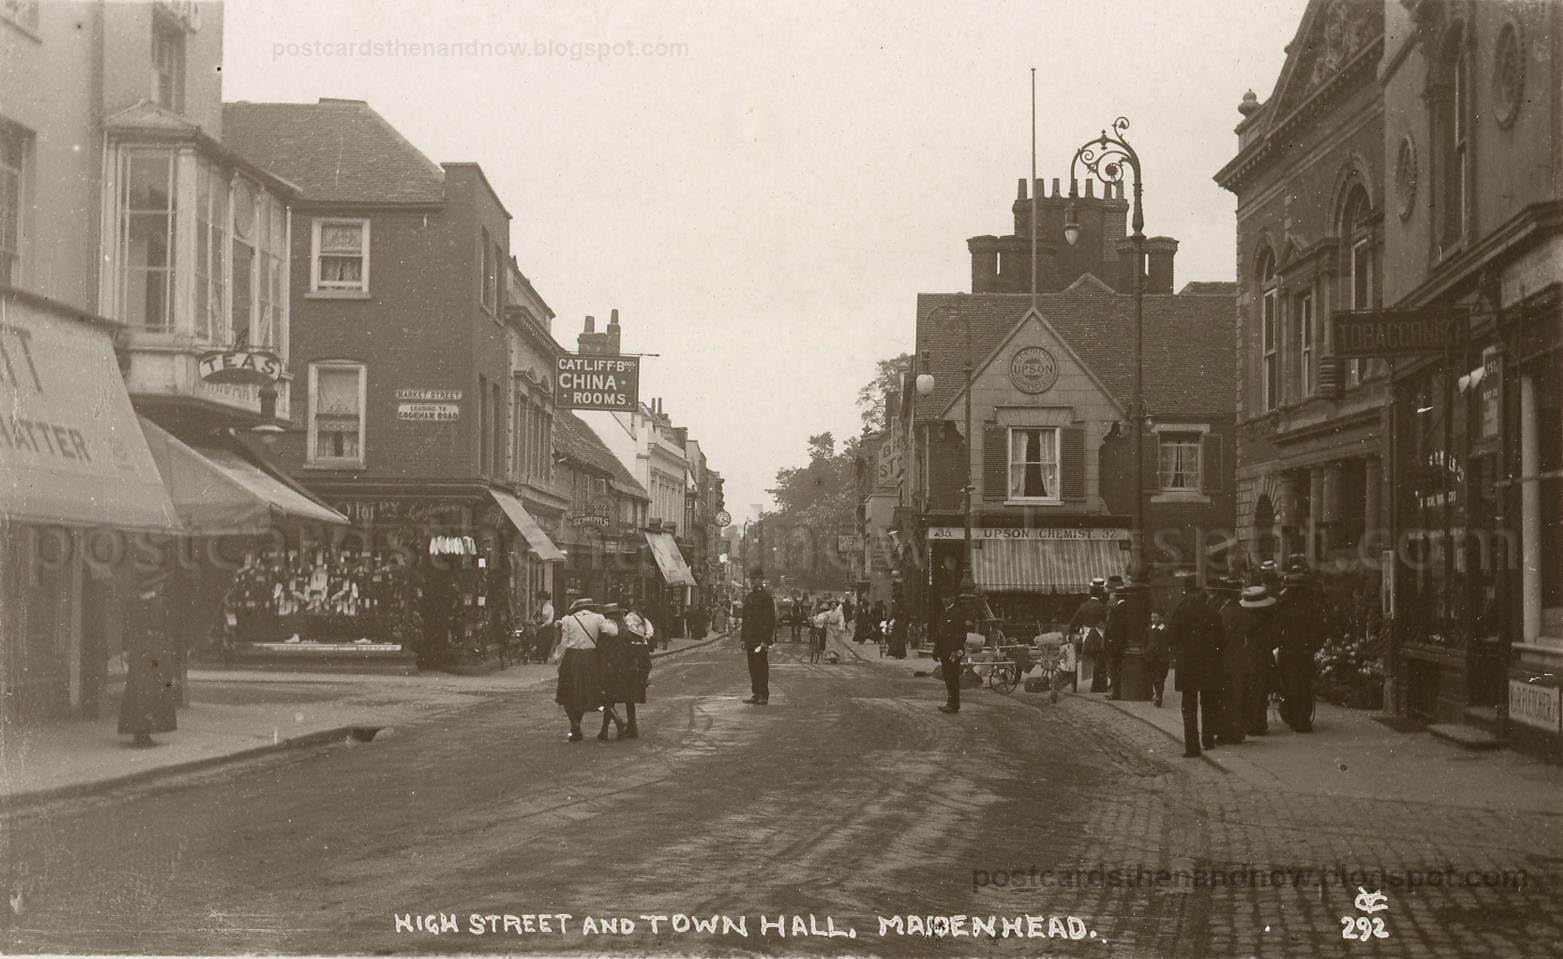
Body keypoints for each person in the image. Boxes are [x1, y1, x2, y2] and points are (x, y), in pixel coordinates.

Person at [1167, 573, 1223, 757]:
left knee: (1189, 706)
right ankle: (1208, 740)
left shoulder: (1180, 611)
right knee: (1209, 703)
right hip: (1209, 664)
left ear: (1186, 590)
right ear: (1201, 591)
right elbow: (1221, 640)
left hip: (1187, 665)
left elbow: (1172, 637)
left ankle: (1192, 747)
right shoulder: (1212, 611)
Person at [553, 597, 617, 743]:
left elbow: (564, 643)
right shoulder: (598, 618)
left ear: (576, 608)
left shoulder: (568, 619)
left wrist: (557, 658)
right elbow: (613, 632)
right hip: (590, 658)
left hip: (572, 657)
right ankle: (580, 724)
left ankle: (575, 725)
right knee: (590, 690)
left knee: (568, 693)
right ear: (591, 607)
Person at [1227, 584, 1279, 736]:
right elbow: (1274, 638)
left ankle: (1252, 723)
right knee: (1262, 691)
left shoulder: (1244, 617)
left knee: (1250, 690)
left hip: (1249, 657)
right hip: (1265, 657)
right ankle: (1260, 723)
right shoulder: (1270, 618)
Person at [1275, 570, 1318, 732]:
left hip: (1289, 651)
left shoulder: (1284, 605)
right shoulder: (1310, 606)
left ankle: (1296, 718)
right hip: (1305, 652)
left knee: (1291, 685)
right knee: (1303, 684)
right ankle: (1302, 718)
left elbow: (1278, 628)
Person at [1212, 578, 1249, 745]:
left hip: (1227, 660)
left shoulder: (1227, 612)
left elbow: (1221, 637)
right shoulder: (1239, 609)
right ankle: (1236, 731)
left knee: (1228, 697)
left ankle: (1228, 732)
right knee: (1237, 696)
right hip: (1239, 658)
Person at [594, 603, 633, 741]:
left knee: (605, 700)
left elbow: (601, 649)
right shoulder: (624, 629)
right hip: (622, 668)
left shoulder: (608, 630)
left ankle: (618, 722)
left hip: (608, 667)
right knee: (610, 699)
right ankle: (605, 731)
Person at [740, 570, 776, 704]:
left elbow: (770, 620)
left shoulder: (766, 598)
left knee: (761, 666)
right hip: (750, 638)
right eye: (752, 579)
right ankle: (755, 692)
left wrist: (766, 640)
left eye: (756, 579)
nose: (753, 581)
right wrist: (743, 639)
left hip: (760, 638)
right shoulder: (749, 597)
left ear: (761, 580)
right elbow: (745, 620)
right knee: (752, 667)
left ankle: (763, 695)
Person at [1068, 579, 1109, 692]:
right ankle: (1099, 685)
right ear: (1100, 593)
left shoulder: (1084, 606)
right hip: (1098, 639)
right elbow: (1108, 623)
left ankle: (1096, 685)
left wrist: (1071, 633)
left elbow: (1073, 623)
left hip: (1086, 639)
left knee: (1096, 658)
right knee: (1101, 658)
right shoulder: (1102, 607)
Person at [933, 595, 964, 713]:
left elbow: (961, 634)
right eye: (943, 597)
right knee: (947, 677)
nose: (944, 599)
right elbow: (939, 634)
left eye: (947, 597)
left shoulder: (957, 613)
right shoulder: (944, 613)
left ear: (953, 599)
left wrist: (955, 650)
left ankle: (954, 704)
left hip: (953, 652)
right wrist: (936, 650)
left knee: (952, 678)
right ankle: (950, 703)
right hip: (944, 651)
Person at [1104, 583, 1130, 700]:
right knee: (1119, 668)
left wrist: (1109, 641)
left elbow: (1112, 628)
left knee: (1114, 668)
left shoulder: (1116, 609)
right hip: (1124, 643)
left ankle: (1116, 693)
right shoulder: (1129, 608)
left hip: (1115, 644)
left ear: (1117, 597)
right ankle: (1118, 692)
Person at [1145, 610, 1171, 707]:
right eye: (1152, 617)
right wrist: (1146, 651)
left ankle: (1159, 696)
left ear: (1161, 618)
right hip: (1151, 658)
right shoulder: (1149, 629)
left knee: (1160, 678)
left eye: (1155, 617)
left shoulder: (1166, 630)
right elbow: (1145, 641)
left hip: (1162, 659)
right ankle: (1157, 694)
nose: (1153, 620)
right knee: (1154, 678)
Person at [531, 589, 556, 663]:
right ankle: (539, 657)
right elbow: (534, 616)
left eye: (542, 599)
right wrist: (535, 622)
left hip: (546, 627)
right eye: (540, 599)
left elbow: (550, 619)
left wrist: (544, 625)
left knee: (546, 642)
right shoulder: (538, 607)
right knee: (539, 641)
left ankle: (545, 657)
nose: (541, 600)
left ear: (545, 599)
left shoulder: (550, 608)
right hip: (539, 626)